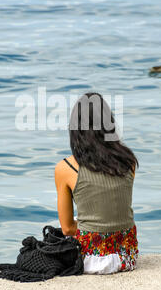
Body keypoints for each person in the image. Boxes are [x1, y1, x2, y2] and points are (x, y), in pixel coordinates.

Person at [54, 92, 139, 274]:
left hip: (89, 260)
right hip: (128, 257)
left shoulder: (65, 167)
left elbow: (68, 228)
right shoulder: (129, 160)